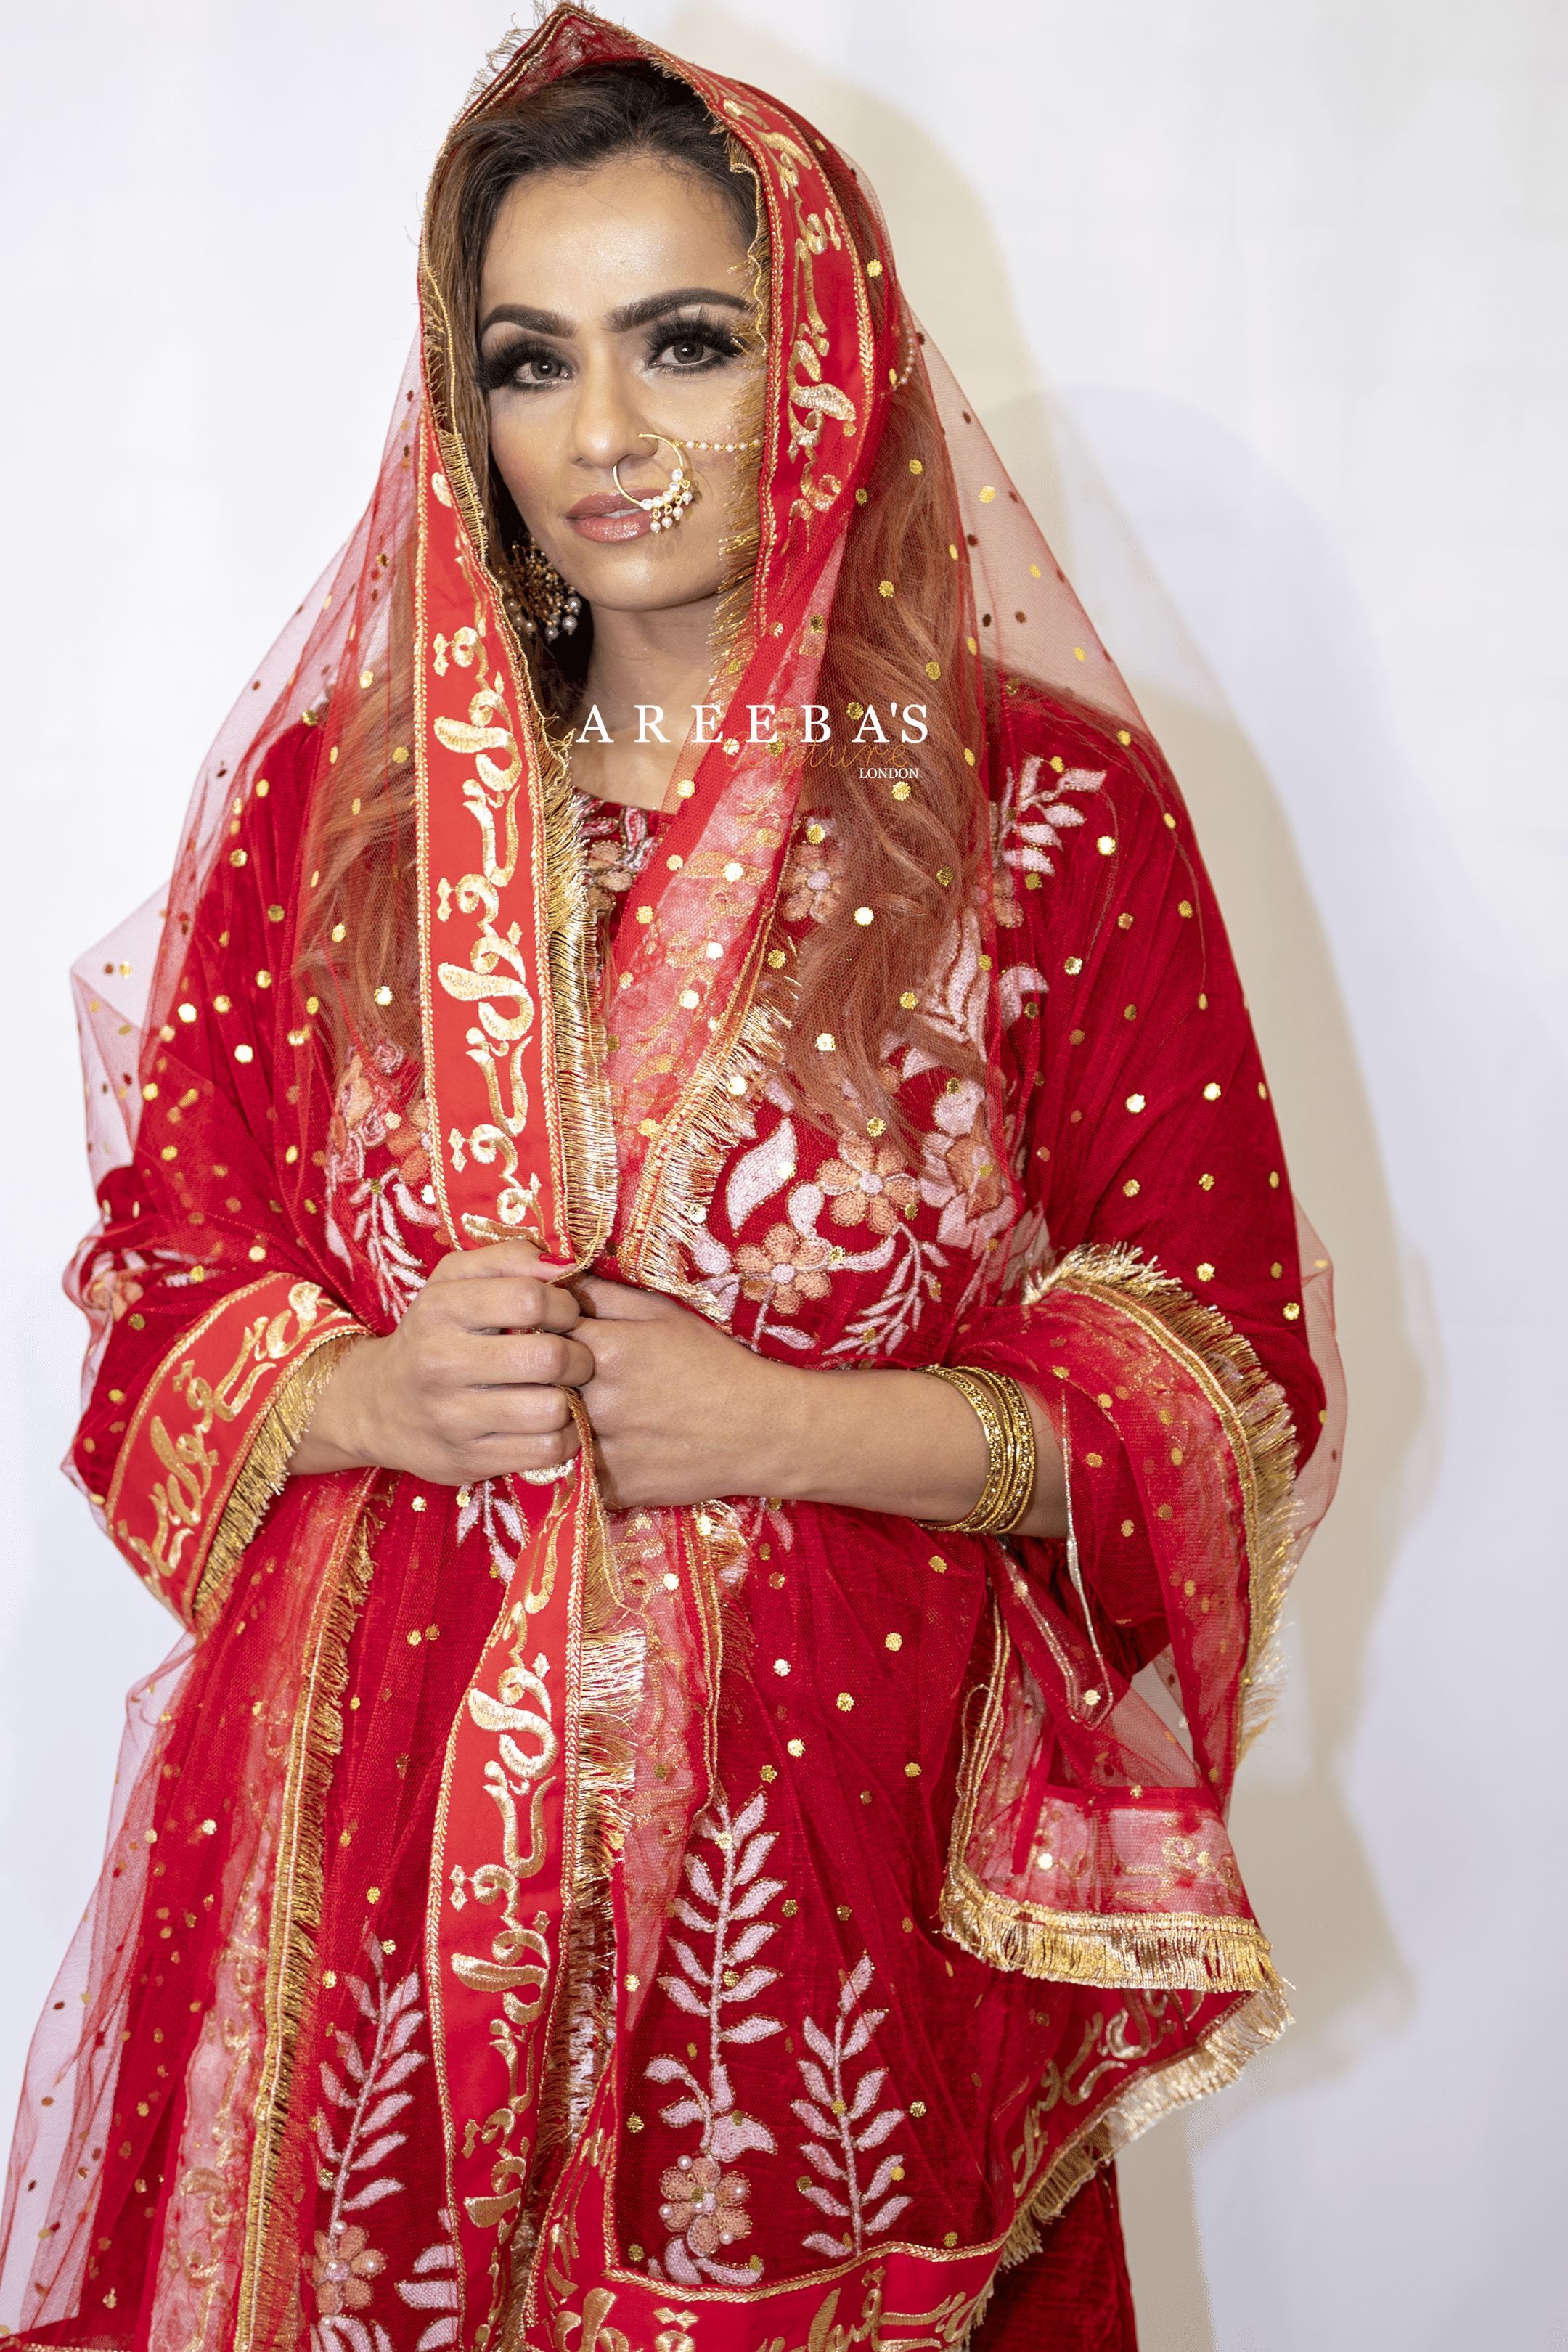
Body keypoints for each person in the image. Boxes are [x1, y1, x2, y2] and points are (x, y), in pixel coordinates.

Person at [0, 10, 1344, 2349]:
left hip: (825, 1875)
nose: (604, 440)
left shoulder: (1031, 820)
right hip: (368, 1873)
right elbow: (158, 1295)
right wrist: (368, 1396)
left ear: (819, 356)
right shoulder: (349, 819)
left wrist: (784, 1426)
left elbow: (1221, 1370)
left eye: (684, 343)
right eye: (531, 362)